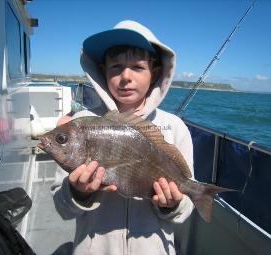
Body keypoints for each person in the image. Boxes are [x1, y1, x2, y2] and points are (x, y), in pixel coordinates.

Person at [51, 20, 194, 255]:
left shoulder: (175, 128)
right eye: (116, 67)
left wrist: (173, 204)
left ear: (155, 73)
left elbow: (185, 209)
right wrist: (78, 191)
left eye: (137, 67)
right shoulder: (82, 124)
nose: (125, 76)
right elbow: (62, 208)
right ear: (102, 71)